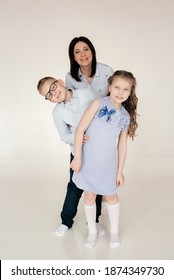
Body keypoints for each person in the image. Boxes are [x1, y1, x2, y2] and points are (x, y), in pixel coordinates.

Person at [71, 70, 138, 248]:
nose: (120, 92)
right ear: (109, 87)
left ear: (131, 92)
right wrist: (77, 158)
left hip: (107, 164)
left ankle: (114, 231)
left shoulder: (124, 116)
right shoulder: (98, 103)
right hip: (88, 161)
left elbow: (122, 145)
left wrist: (120, 171)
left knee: (111, 197)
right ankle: (92, 231)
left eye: (126, 89)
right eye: (117, 87)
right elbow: (80, 130)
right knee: (90, 196)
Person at [37, 77, 105, 237]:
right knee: (74, 187)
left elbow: (103, 109)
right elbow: (64, 135)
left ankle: (94, 221)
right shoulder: (57, 113)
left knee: (96, 187)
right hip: (78, 153)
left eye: (53, 87)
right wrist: (77, 136)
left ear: (61, 82)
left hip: (97, 150)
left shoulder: (87, 93)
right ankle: (66, 221)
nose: (54, 93)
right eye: (49, 95)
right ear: (48, 100)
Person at [65, 36, 114, 208]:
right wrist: (73, 132)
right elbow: (67, 105)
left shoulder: (107, 71)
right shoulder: (70, 78)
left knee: (99, 176)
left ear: (92, 50)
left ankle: (96, 219)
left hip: (103, 134)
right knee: (76, 177)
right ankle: (66, 220)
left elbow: (117, 98)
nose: (82, 54)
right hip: (83, 134)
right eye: (77, 52)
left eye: (86, 49)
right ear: (73, 57)